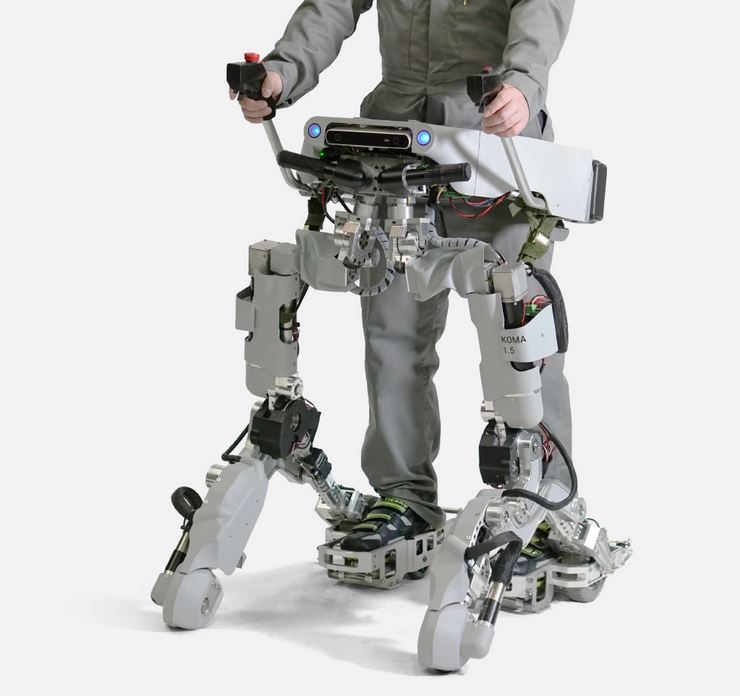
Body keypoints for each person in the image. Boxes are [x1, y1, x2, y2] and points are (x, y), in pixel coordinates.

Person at [231, 0, 576, 552]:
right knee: (392, 335)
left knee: (519, 338)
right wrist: (282, 71)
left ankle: (544, 506)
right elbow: (333, 5)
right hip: (393, 147)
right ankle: (404, 497)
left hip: (495, 142)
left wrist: (523, 84)